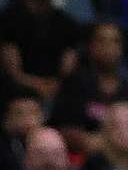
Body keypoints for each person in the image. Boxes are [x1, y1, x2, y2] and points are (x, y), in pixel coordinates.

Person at [51, 20, 128, 154]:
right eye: (102, 41)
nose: (108, 47)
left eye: (115, 41)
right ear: (91, 47)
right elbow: (62, 128)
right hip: (81, 159)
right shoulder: (74, 83)